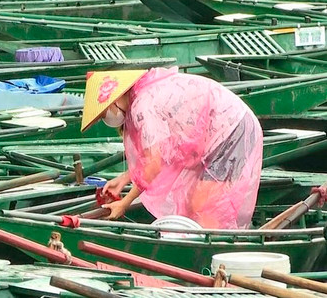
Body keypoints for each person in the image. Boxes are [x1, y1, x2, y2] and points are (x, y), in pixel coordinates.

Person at [81, 67, 262, 229]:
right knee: (192, 202)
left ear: (115, 100)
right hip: (219, 131)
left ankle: (210, 252)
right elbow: (164, 150)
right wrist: (124, 179)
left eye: (105, 113)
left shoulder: (143, 106)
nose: (107, 119)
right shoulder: (144, 93)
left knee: (204, 204)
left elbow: (154, 164)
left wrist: (125, 203)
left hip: (230, 128)